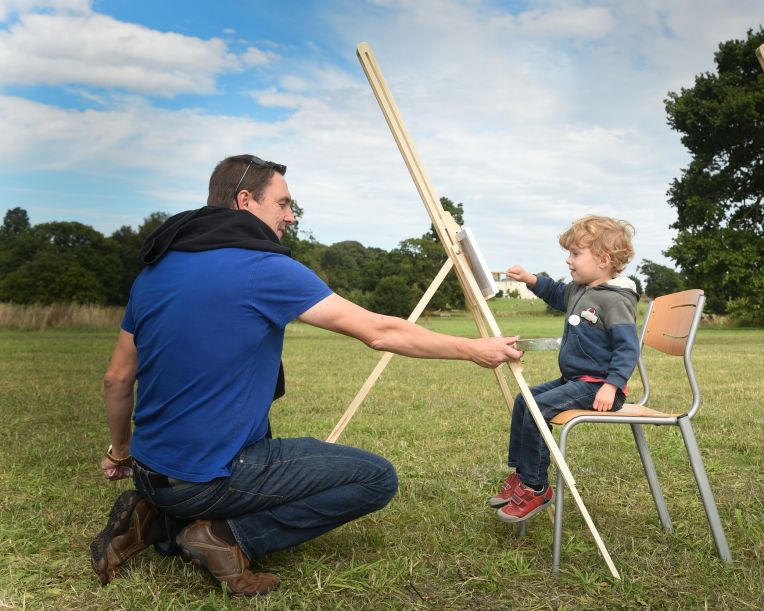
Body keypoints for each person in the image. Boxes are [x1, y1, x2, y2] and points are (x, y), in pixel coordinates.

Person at [90, 154, 522, 596]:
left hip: (146, 470)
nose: (290, 216)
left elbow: (117, 379)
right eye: (282, 203)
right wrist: (473, 349)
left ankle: (157, 516)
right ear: (245, 201)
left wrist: (121, 453)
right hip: (207, 479)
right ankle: (224, 537)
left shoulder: (154, 272)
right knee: (374, 479)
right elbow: (378, 331)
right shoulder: (263, 268)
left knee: (242, 445)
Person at [490, 215, 639, 523]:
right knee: (525, 400)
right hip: (576, 380)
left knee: (537, 408)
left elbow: (628, 348)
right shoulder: (580, 289)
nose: (568, 260)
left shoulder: (616, 299)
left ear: (604, 259)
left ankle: (535, 487)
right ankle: (522, 474)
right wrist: (531, 279)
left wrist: (612, 385)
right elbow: (557, 293)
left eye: (575, 253)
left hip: (599, 387)